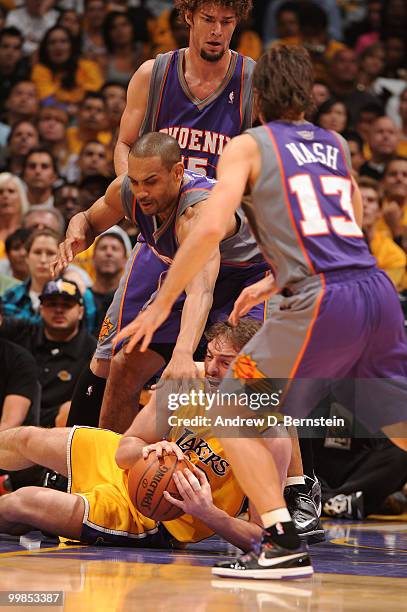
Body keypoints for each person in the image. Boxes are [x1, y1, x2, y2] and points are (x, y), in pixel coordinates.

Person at [120, 45, 407, 579]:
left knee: (229, 410)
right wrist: (277, 276)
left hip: (321, 298)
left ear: (257, 99)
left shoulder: (249, 144)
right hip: (374, 290)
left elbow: (208, 229)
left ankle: (278, 542)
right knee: (396, 419)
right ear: (308, 94)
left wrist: (161, 303)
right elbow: (350, 223)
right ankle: (283, 530)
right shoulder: (337, 143)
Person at [66, 0, 255, 433]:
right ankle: (77, 472)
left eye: (227, 23)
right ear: (188, 17)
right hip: (163, 234)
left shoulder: (251, 80)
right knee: (112, 356)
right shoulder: (155, 74)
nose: (217, 31)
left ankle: (297, 481)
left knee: (253, 368)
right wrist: (135, 196)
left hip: (228, 243)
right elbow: (125, 145)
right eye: (208, 20)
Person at [0, 318, 290, 549]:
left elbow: (264, 539)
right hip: (136, 467)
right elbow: (125, 448)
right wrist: (150, 451)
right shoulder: (186, 380)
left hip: (154, 515)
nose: (212, 369)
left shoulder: (271, 437)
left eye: (226, 363)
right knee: (27, 438)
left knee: (23, 502)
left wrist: (207, 513)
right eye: (210, 356)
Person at [55, 132, 269, 434]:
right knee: (123, 365)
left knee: (251, 377)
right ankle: (112, 469)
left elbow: (201, 292)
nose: (141, 191)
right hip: (193, 275)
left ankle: (294, 478)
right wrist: (75, 236)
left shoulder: (197, 215)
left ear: (178, 173)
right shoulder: (127, 191)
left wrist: (182, 352)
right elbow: (88, 219)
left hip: (249, 278)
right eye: (136, 181)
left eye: (151, 182)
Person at [0, 278, 96, 428]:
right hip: (10, 416)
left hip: (57, 429)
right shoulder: (21, 331)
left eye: (67, 305)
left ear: (80, 311)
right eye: (52, 304)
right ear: (41, 309)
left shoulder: (94, 352)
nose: (59, 310)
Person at [90, 232, 127, 337]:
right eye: (103, 248)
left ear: (125, 260)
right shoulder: (82, 297)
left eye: (115, 249)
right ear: (93, 258)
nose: (109, 253)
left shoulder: (129, 299)